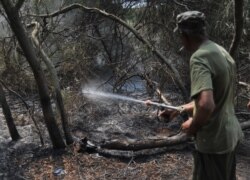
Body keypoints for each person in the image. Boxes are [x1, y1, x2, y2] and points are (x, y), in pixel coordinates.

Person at [157, 11, 243, 180]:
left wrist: (193, 126)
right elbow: (218, 98)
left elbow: (206, 105)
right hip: (229, 136)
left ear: (185, 35)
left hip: (213, 141)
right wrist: (179, 110)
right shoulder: (221, 51)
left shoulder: (199, 58)